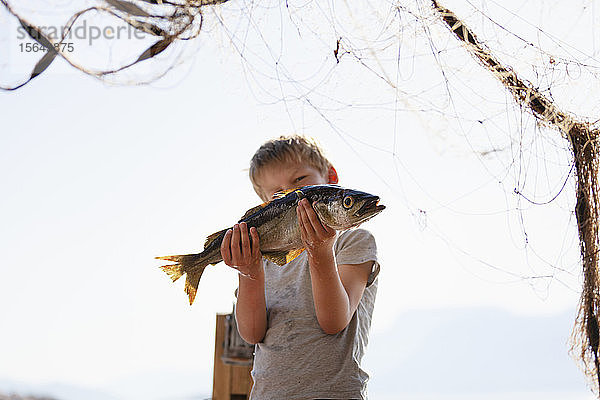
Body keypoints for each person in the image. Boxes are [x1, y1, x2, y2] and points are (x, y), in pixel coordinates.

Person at [219, 135, 380, 400]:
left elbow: (333, 322)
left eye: (299, 181)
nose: (294, 195)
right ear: (266, 205)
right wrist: (249, 273)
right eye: (278, 193)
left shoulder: (354, 240)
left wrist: (320, 252)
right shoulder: (263, 258)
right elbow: (252, 333)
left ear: (330, 176)